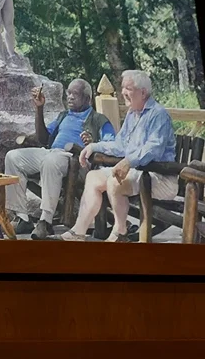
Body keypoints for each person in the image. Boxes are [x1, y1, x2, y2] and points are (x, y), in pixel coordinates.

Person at [61, 70, 178, 242]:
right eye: (122, 88)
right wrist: (93, 146)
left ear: (143, 92)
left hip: (160, 177)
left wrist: (128, 161)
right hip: (138, 173)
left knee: (114, 181)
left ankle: (120, 232)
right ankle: (79, 231)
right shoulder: (133, 114)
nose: (123, 92)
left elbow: (154, 149)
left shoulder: (158, 115)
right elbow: (120, 145)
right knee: (93, 177)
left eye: (128, 88)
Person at [5, 79, 116, 239]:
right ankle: (23, 218)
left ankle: (46, 220)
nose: (70, 97)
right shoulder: (63, 116)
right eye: (68, 93)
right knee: (13, 157)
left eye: (75, 94)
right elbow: (43, 138)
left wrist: (93, 144)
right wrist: (39, 108)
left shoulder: (99, 119)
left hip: (76, 160)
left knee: (52, 161)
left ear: (87, 99)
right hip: (51, 152)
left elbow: (111, 143)